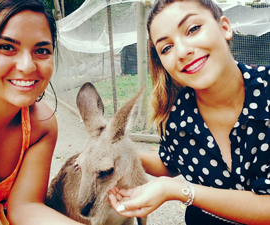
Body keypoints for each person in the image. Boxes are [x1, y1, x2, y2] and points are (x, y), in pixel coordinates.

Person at [108, 0, 270, 224]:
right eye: (166, 48)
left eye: (193, 29)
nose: (182, 51)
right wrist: (115, 156)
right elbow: (171, 163)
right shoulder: (175, 114)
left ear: (224, 28)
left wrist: (180, 190)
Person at [0, 0, 84, 224]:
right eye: (7, 47)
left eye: (41, 51)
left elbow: (25, 207)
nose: (27, 66)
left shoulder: (40, 126)